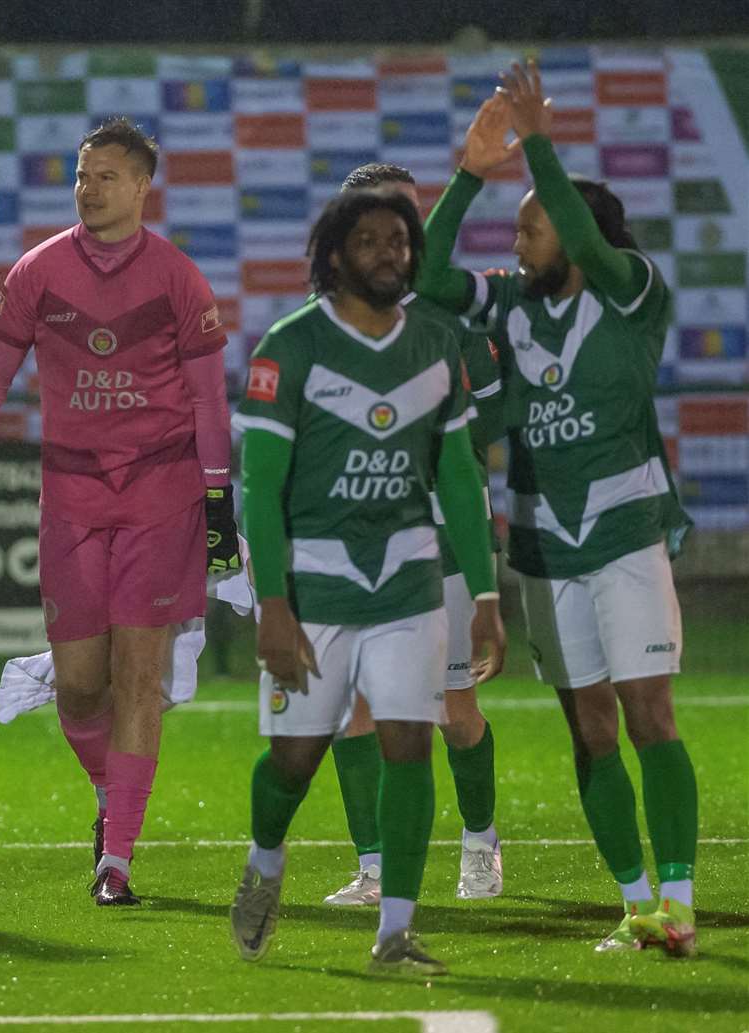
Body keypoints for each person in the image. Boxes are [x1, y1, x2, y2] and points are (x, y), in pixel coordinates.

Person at [0, 117, 237, 906]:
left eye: (106, 177)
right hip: (71, 498)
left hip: (161, 497)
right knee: (81, 686)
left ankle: (116, 858)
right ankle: (108, 795)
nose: (89, 188)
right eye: (82, 175)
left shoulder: (178, 278)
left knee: (138, 676)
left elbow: (207, 398)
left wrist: (220, 499)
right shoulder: (37, 271)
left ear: (142, 188)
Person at [415, 63, 699, 956]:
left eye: (532, 228)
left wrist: (538, 145)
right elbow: (426, 278)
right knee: (589, 726)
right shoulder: (508, 303)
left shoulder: (633, 294)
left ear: (576, 239)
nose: (520, 237)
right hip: (543, 547)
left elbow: (575, 223)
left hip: (624, 540)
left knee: (650, 714)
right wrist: (469, 174)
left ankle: (683, 903)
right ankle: (635, 904)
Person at [228, 188, 505, 975]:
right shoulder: (292, 345)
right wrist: (272, 603)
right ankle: (266, 864)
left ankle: (395, 930)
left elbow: (458, 475)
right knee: (294, 756)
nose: (391, 252)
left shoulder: (434, 343)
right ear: (336, 254)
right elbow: (262, 487)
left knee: (408, 741)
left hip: (409, 579)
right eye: (372, 240)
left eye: (401, 241)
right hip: (315, 584)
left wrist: (484, 593)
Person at [319, 164, 508, 908]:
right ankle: (373, 867)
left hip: (443, 546)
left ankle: (480, 845)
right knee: (353, 712)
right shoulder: (324, 321)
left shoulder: (451, 318)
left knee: (454, 711)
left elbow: (490, 419)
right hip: (360, 549)